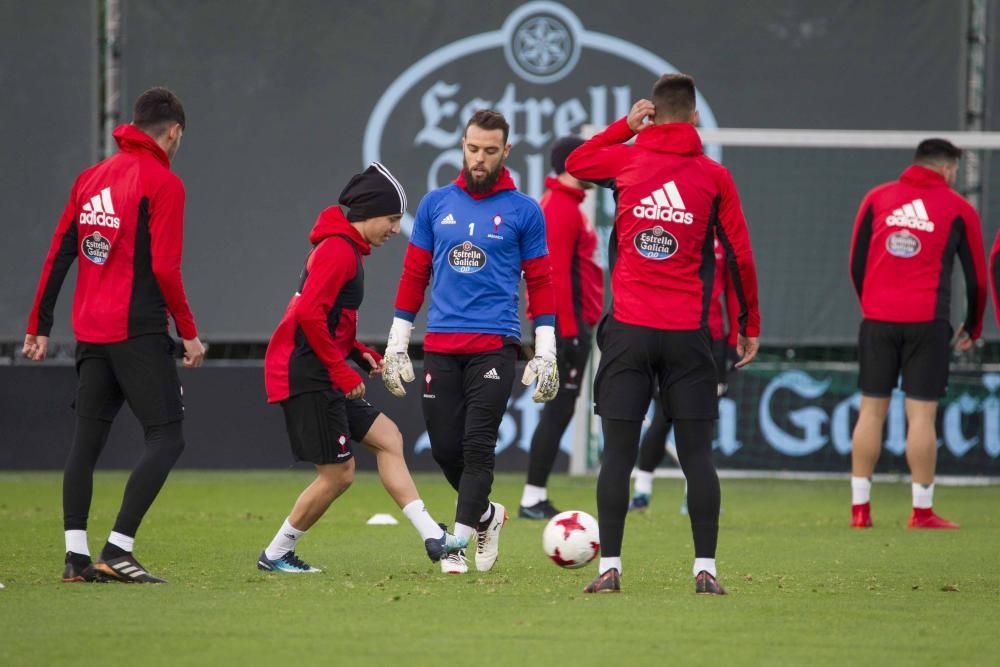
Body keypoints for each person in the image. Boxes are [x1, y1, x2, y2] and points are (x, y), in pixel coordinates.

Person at [565, 73, 760, 595]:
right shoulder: (715, 177)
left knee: (618, 456)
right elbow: (740, 256)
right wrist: (749, 326)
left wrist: (622, 128)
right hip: (687, 336)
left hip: (628, 332)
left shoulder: (627, 160)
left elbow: (576, 163)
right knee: (697, 455)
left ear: (653, 114)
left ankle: (610, 569)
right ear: (695, 117)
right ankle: (706, 571)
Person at [24, 87, 205, 584]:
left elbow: (61, 251)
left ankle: (76, 557)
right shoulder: (163, 183)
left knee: (86, 442)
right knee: (167, 436)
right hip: (138, 330)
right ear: (174, 133)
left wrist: (39, 326)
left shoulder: (90, 178)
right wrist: (188, 333)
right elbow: (167, 268)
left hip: (90, 333)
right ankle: (117, 549)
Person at [259, 163, 466, 573]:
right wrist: (341, 369)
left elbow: (323, 316)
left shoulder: (341, 247)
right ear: (368, 213)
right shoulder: (338, 250)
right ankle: (276, 553)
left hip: (321, 367)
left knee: (389, 437)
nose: (394, 228)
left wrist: (356, 351)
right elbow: (310, 318)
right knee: (339, 475)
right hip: (310, 373)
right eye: (391, 219)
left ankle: (432, 536)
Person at [382, 109, 558, 574]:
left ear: (506, 151)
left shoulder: (525, 211)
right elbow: (414, 274)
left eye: (490, 151)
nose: (479, 159)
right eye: (472, 148)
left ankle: (456, 543)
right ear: (462, 145)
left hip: (495, 345)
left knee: (478, 445)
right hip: (440, 345)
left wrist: (546, 349)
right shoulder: (436, 204)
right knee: (444, 448)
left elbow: (541, 282)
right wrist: (398, 340)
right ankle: (485, 516)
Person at [848, 139, 986, 530]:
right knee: (921, 415)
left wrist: (872, 304)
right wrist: (973, 326)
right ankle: (921, 511)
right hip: (927, 322)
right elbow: (977, 279)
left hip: (877, 319)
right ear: (947, 169)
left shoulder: (877, 199)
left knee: (871, 410)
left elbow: (856, 262)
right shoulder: (959, 209)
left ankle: (860, 511)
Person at [519, 135, 604, 520]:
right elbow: (549, 278)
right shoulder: (558, 209)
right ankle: (532, 497)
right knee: (556, 411)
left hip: (573, 327)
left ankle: (534, 496)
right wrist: (559, 335)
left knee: (561, 411)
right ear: (574, 164)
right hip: (565, 330)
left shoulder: (568, 205)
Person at [630, 233, 740, 514]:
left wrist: (732, 340)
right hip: (673, 334)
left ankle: (694, 495)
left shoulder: (723, 242)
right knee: (663, 414)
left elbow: (733, 291)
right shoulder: (675, 231)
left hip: (711, 339)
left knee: (700, 419)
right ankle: (642, 491)